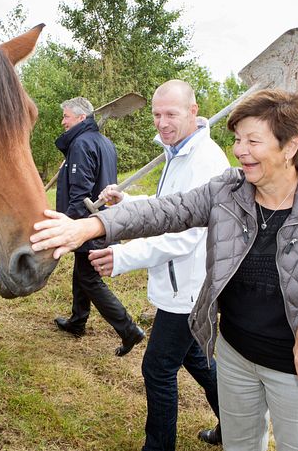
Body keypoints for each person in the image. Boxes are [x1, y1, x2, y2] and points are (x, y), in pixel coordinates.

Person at [31, 89, 298, 451]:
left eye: (252, 141)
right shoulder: (228, 191)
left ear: (290, 146)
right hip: (235, 359)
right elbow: (165, 211)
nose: (239, 150)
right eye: (237, 139)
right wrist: (92, 226)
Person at [89, 80, 229, 449]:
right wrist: (127, 203)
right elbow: (169, 206)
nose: (162, 122)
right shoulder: (178, 151)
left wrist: (122, 256)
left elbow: (185, 235)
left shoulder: (205, 160)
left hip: (191, 287)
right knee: (196, 359)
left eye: (171, 114)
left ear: (193, 111)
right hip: (180, 283)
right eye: (157, 114)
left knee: (158, 367)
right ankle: (235, 425)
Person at [52, 96, 145, 357]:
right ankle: (77, 321)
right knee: (82, 272)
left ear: (81, 118)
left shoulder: (81, 144)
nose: (63, 122)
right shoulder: (105, 143)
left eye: (66, 117)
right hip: (103, 221)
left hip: (88, 222)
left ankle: (128, 330)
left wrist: (68, 225)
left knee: (89, 278)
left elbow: (80, 194)